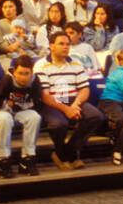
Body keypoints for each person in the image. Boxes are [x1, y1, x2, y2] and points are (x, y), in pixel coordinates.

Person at [34, 32, 106, 169]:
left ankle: (66, 152)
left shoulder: (76, 63)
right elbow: (44, 95)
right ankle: (66, 155)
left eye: (68, 44)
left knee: (96, 116)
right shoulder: (41, 65)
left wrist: (75, 104)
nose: (66, 47)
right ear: (51, 46)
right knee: (58, 124)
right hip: (52, 102)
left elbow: (85, 89)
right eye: (61, 44)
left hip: (73, 99)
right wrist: (66, 109)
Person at [0, 54, 45, 177]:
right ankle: (3, 160)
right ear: (14, 71)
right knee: (5, 118)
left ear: (31, 72)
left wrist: (16, 105)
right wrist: (10, 105)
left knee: (34, 117)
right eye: (20, 73)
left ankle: (27, 159)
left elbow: (36, 104)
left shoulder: (35, 81)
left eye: (26, 73)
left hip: (17, 110)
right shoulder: (6, 81)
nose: (23, 77)